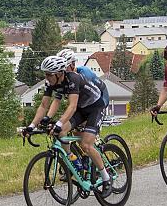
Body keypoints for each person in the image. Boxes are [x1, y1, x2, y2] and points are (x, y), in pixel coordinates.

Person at [25, 55, 113, 197]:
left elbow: (71, 106)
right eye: (45, 74)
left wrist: (59, 123)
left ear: (59, 73)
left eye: (49, 75)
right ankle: (73, 160)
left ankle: (106, 178)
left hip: (96, 107)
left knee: (86, 144)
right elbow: (44, 105)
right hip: (81, 109)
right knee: (60, 133)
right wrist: (31, 126)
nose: (46, 78)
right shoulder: (51, 82)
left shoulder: (73, 79)